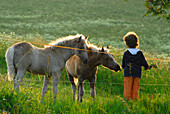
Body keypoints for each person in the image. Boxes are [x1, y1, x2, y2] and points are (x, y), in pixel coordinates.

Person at [122, 31, 151, 100]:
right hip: (137, 74)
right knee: (135, 89)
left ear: (127, 43)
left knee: (127, 89)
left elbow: (123, 64)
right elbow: (144, 63)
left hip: (128, 73)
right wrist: (147, 67)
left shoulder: (126, 53)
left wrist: (124, 68)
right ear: (136, 42)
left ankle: (126, 101)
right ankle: (134, 101)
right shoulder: (139, 53)